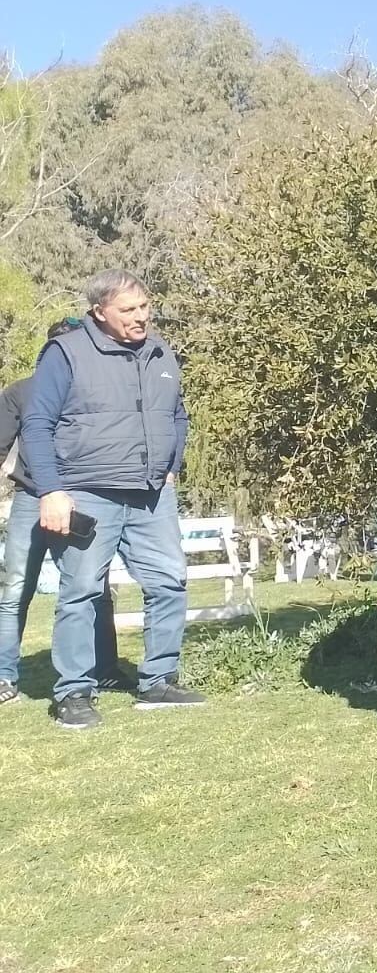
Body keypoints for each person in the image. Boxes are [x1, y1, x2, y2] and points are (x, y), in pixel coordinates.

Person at [21, 271, 203, 729]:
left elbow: (176, 412)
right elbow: (37, 425)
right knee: (80, 592)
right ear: (100, 311)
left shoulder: (161, 350)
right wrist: (52, 491)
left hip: (150, 494)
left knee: (170, 582)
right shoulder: (66, 353)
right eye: (128, 310)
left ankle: (158, 680)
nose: (140, 317)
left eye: (144, 307)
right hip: (86, 490)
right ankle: (74, 693)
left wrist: (173, 461)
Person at [0, 318, 125, 706]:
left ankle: (102, 669)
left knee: (88, 588)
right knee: (21, 589)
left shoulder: (94, 387)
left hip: (82, 497)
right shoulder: (22, 391)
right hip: (32, 497)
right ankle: (6, 674)